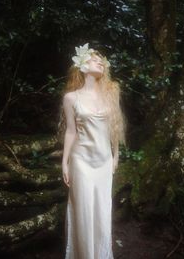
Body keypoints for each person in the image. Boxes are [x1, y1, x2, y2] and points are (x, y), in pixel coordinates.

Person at [57, 43, 127, 259]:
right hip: (81, 159)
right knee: (84, 210)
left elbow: (115, 127)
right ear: (82, 66)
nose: (101, 63)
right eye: (95, 59)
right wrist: (65, 162)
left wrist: (116, 156)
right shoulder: (71, 98)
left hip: (104, 160)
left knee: (102, 210)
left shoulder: (110, 94)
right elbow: (71, 131)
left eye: (102, 61)